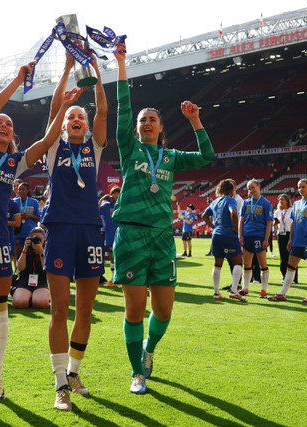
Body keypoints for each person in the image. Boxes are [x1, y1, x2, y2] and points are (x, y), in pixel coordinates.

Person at [0, 61, 83, 410]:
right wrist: (17, 80)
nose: (3, 125)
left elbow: (49, 139)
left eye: (9, 124)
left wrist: (65, 98)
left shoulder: (15, 163)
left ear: (13, 135)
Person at [113, 43, 214, 395]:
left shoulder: (170, 157)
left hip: (161, 238)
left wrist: (196, 120)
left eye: (152, 119)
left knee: (165, 311)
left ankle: (149, 350)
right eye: (142, 121)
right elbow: (124, 108)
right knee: (135, 310)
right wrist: (122, 64)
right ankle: (135, 372)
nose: (146, 123)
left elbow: (207, 155)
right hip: (130, 236)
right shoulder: (129, 148)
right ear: (137, 129)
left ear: (160, 126)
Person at [39, 50, 106, 411]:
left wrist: (94, 70)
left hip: (91, 230)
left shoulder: (94, 146)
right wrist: (67, 69)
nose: (77, 118)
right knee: (60, 309)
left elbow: (104, 112)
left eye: (81, 115)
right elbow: (53, 112)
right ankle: (60, 383)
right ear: (65, 125)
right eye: (72, 116)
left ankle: (75, 372)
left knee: (86, 308)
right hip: (61, 230)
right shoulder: (53, 149)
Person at [269, 179, 307, 303]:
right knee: (290, 267)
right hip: (297, 241)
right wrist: (291, 240)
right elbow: (292, 223)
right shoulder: (296, 204)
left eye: (303, 187)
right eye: (299, 187)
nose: (300, 189)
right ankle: (282, 294)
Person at [202, 179, 244, 300]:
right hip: (228, 234)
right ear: (231, 190)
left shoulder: (215, 202)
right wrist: (236, 229)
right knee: (237, 262)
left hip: (216, 235)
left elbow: (204, 216)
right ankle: (234, 290)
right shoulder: (231, 200)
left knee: (217, 264)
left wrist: (214, 227)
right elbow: (234, 213)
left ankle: (216, 292)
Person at [238, 179, 273, 298]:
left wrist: (266, 239)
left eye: (253, 187)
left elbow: (269, 223)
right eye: (249, 188)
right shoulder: (246, 202)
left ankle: (264, 290)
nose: (251, 190)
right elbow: (241, 220)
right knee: (246, 264)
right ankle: (245, 288)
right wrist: (240, 235)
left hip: (259, 236)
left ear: (258, 187)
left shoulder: (265, 203)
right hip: (247, 236)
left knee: (262, 264)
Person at [11, 227, 49, 309]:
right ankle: (29, 297)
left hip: (42, 281)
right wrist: (25, 249)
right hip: (25, 280)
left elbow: (47, 270)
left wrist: (41, 252)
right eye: (34, 238)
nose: (37, 241)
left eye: (39, 239)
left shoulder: (47, 250)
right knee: (19, 303)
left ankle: (34, 297)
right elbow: (20, 268)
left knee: (41, 303)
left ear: (44, 239)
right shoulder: (26, 248)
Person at [273, 194, 298, 284]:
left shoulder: (292, 210)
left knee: (291, 257)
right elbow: (275, 227)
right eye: (279, 200)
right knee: (283, 257)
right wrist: (275, 224)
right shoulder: (277, 212)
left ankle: (294, 278)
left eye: (282, 199)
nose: (280, 201)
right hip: (280, 234)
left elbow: (294, 223)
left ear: (287, 201)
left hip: (290, 234)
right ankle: (284, 276)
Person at [13, 182, 40, 259]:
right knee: (17, 255)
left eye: (23, 189)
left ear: (28, 190)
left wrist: (29, 215)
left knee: (31, 255)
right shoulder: (14, 202)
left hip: (30, 232)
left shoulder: (34, 202)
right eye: (19, 190)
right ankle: (18, 270)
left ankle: (30, 270)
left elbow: (39, 218)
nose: (21, 191)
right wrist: (18, 216)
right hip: (18, 233)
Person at [99, 186, 120, 287]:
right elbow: (97, 210)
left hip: (121, 234)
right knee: (111, 257)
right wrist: (102, 199)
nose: (116, 195)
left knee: (120, 256)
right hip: (110, 235)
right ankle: (112, 278)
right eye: (114, 193)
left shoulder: (122, 205)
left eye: (118, 193)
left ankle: (120, 279)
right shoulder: (107, 206)